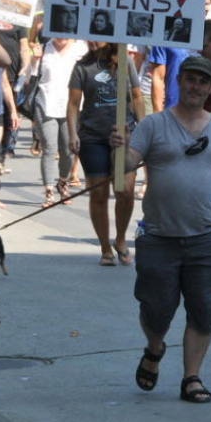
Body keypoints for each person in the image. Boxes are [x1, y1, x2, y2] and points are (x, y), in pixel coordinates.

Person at [111, 56, 211, 404]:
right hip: (159, 237)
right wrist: (120, 147)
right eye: (190, 80)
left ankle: (192, 377)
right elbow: (129, 162)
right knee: (155, 308)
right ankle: (155, 346)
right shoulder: (154, 125)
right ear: (180, 82)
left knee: (204, 310)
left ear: (210, 87)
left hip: (206, 236)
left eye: (203, 82)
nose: (196, 87)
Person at [68, 41, 143, 264]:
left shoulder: (125, 61)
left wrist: (144, 128)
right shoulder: (82, 66)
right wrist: (73, 133)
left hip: (123, 136)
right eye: (89, 36)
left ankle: (120, 239)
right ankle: (105, 247)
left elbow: (137, 97)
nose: (93, 41)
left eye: (98, 36)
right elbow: (73, 104)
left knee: (125, 189)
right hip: (93, 137)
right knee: (98, 193)